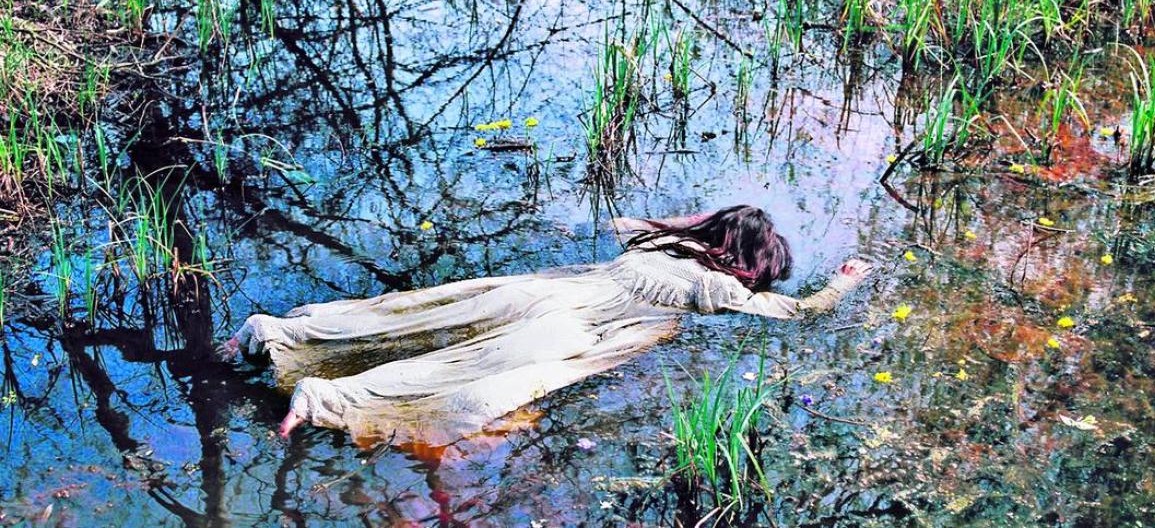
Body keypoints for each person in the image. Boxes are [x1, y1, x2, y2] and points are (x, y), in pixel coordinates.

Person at [226, 205, 874, 448]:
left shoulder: (655, 243)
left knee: (414, 315)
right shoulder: (715, 286)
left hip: (537, 289)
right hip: (573, 327)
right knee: (469, 376)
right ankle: (325, 402)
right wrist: (844, 279)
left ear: (711, 233)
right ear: (746, 268)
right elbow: (798, 311)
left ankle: (276, 335)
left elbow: (614, 221)